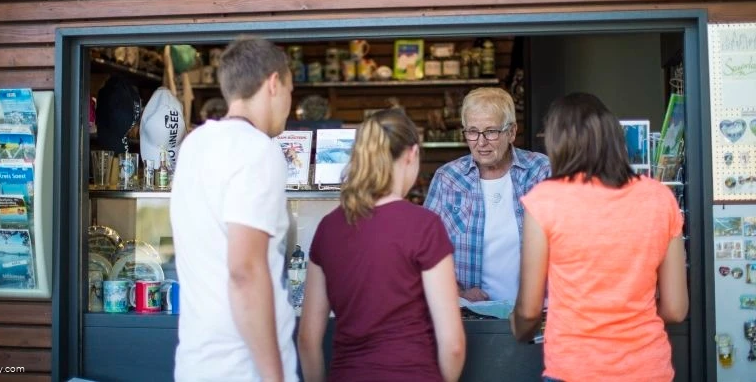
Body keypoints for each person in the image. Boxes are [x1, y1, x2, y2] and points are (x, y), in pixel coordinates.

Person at [511, 92, 688, 381]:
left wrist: (517, 327)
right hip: (647, 369)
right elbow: (676, 309)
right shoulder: (659, 197)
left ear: (557, 144)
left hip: (574, 370)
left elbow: (529, 311)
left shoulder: (545, 200)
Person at [298, 109, 465, 382]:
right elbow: (454, 346)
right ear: (411, 155)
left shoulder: (329, 228)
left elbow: (307, 340)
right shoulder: (424, 226)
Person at [170, 36, 296, 382]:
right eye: (290, 90)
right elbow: (245, 271)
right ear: (273, 84)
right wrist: (275, 376)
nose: (290, 103)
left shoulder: (194, 145)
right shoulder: (257, 150)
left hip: (197, 361)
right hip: (243, 369)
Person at [424, 88, 550, 302]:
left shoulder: (541, 171)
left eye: (491, 131)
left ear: (511, 132)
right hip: (471, 316)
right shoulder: (448, 178)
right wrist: (459, 293)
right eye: (472, 131)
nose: (481, 142)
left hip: (537, 313)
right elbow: (426, 252)